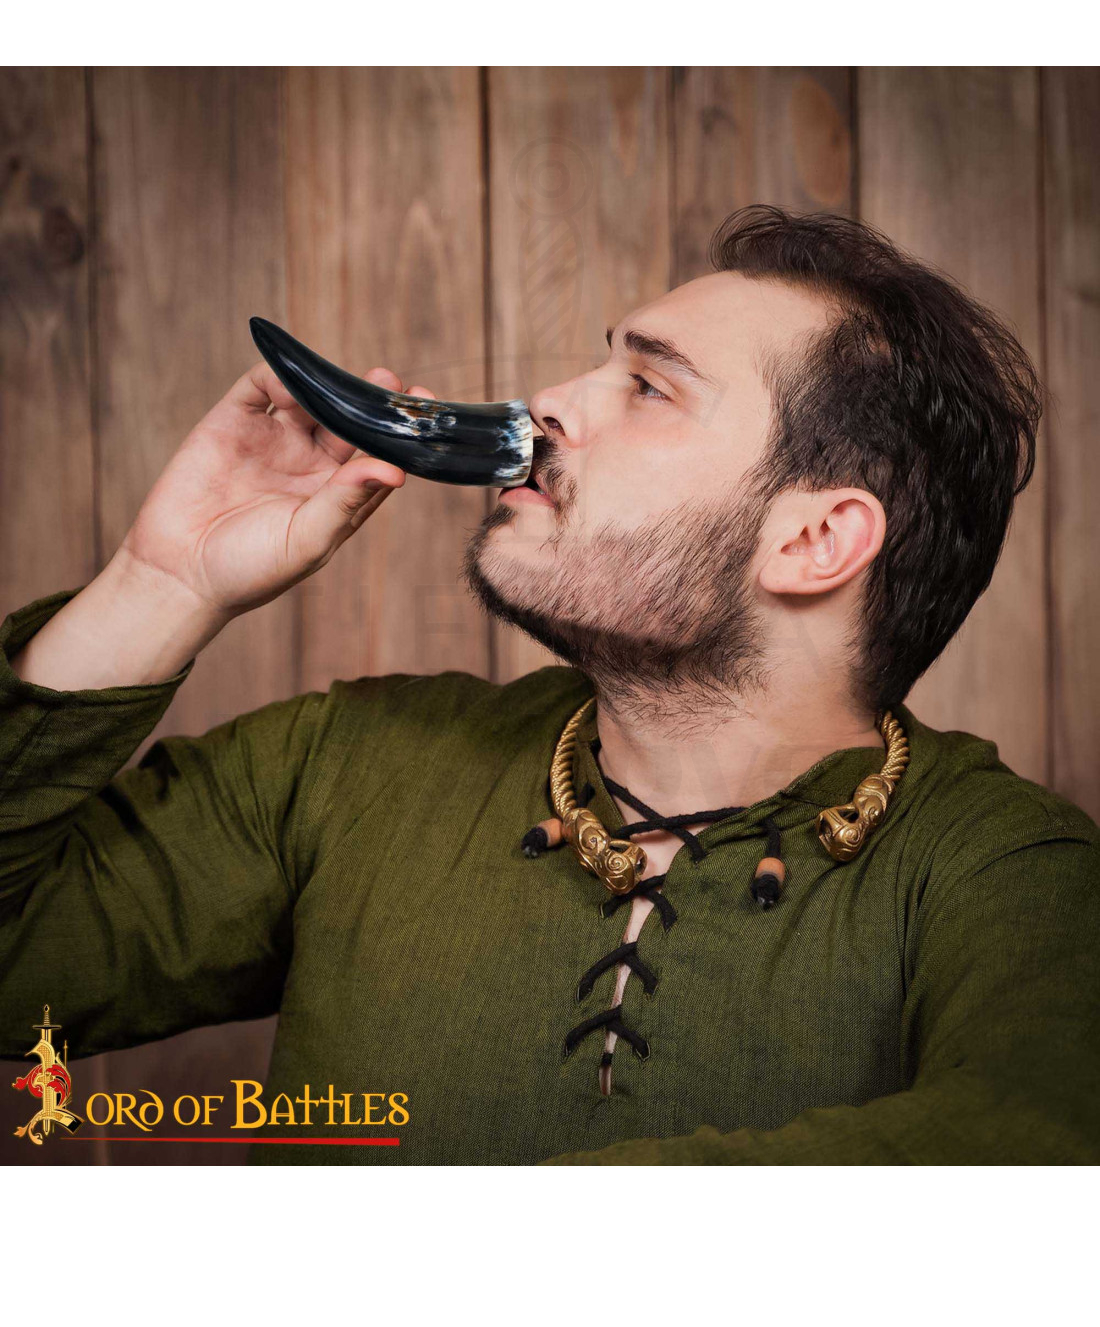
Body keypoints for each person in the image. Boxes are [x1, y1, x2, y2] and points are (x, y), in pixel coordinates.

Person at [1, 206, 1097, 1165]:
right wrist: (162, 582)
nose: (548, 403)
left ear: (813, 540)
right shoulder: (346, 763)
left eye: (649, 387)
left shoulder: (1008, 875)